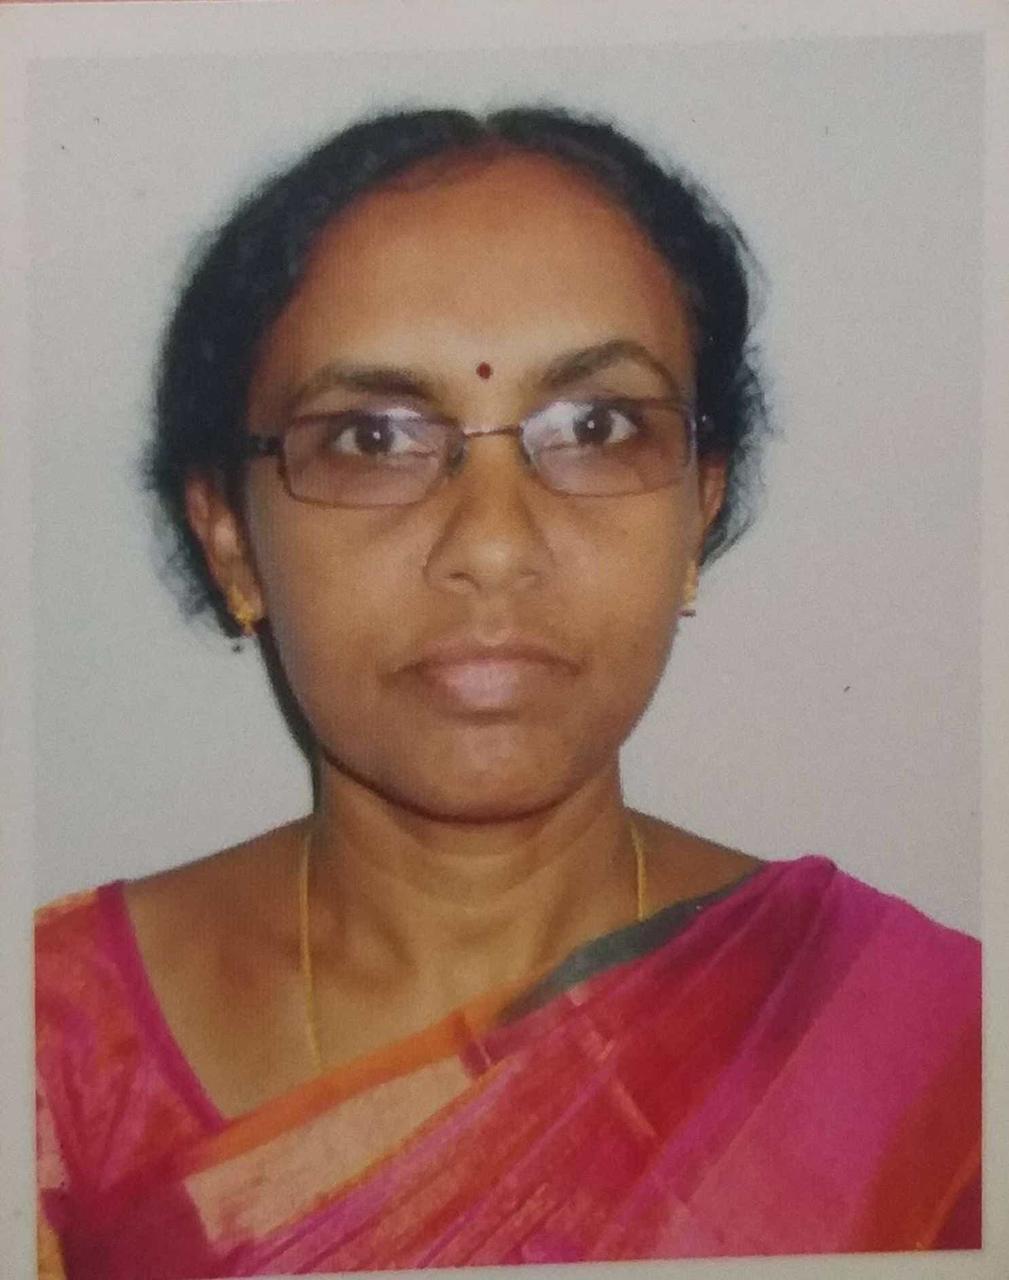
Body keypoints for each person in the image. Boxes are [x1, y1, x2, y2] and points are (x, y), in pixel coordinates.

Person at [34, 105, 981, 1279]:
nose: (492, 543)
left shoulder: (929, 1050)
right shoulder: (51, 1051)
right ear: (230, 536)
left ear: (698, 507)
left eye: (597, 424)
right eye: (372, 436)